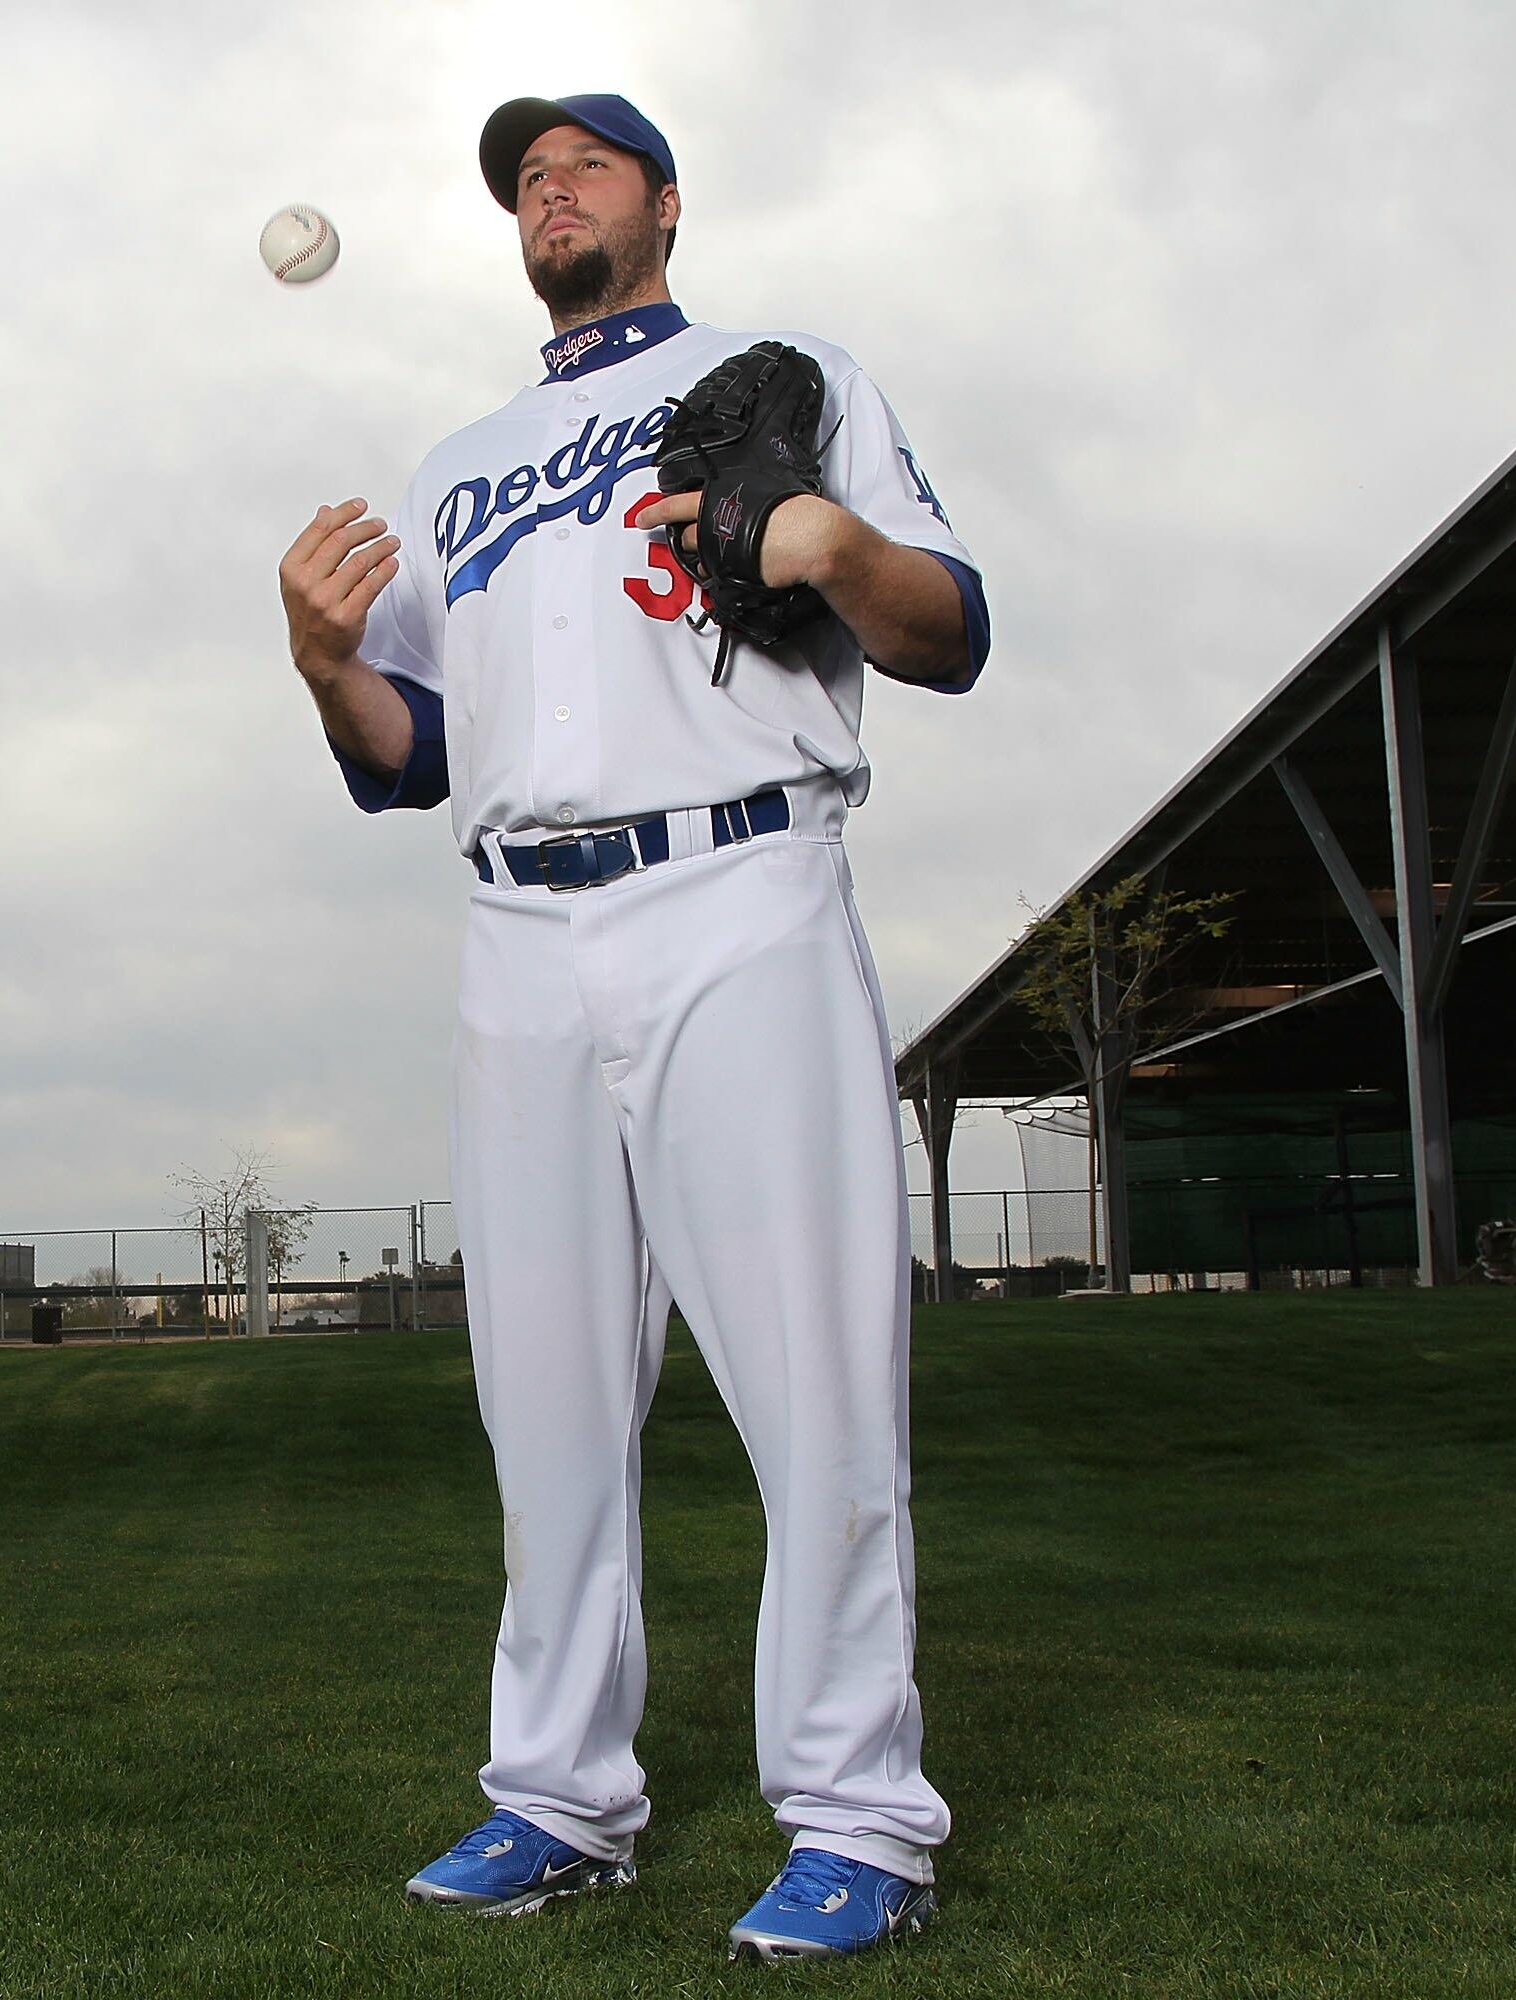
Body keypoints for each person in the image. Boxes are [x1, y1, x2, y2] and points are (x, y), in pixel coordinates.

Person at [274, 92, 989, 1963]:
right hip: (516, 932)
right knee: (547, 1408)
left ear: (664, 203)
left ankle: (859, 1823)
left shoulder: (793, 370)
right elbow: (414, 759)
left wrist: (827, 545)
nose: (550, 190)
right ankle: (561, 1800)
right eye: (526, 177)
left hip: (737, 894)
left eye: (585, 164)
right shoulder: (464, 464)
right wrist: (331, 664)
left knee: (815, 1381)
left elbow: (949, 630)